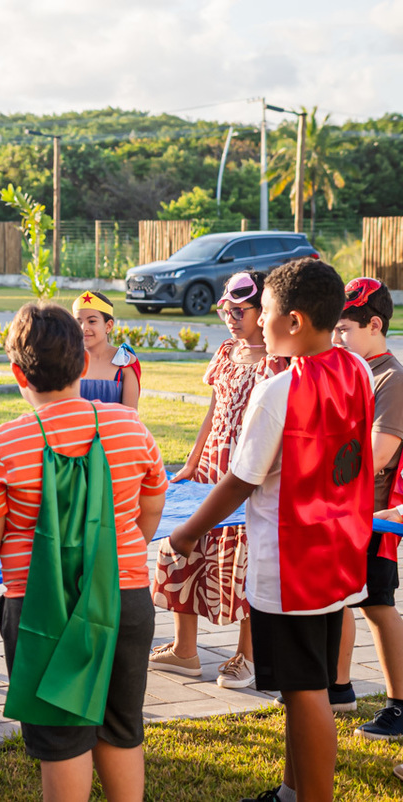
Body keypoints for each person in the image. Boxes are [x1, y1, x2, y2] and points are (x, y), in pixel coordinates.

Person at [169, 259, 374, 802]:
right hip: (339, 554)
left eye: (269, 313)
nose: (260, 322)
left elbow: (239, 481)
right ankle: (290, 790)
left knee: (306, 693)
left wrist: (186, 533)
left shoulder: (280, 391)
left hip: (289, 567)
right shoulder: (356, 369)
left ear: (296, 321)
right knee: (303, 687)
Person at [0, 302, 167, 802]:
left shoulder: (2, 444)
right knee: (121, 728)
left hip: (38, 605)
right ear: (82, 364)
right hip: (124, 598)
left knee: (60, 737)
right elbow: (151, 508)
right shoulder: (130, 429)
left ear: (16, 372)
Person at [150, 272, 287, 689]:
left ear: (263, 310)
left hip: (249, 474)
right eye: (226, 309)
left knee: (244, 562)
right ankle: (184, 651)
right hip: (210, 470)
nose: (231, 317)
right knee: (184, 552)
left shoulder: (278, 361)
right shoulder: (227, 352)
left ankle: (247, 655)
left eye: (239, 310)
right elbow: (213, 412)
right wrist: (192, 462)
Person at [330, 277, 403, 735]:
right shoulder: (355, 371)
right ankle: (338, 689)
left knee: (378, 606)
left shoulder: (391, 378)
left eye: (344, 329)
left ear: (374, 324)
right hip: (343, 510)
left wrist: (323, 470)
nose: (337, 338)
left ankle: (399, 703)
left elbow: (380, 450)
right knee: (336, 599)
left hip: (375, 516)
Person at [73, 291, 140, 408]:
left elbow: (130, 415)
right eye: (78, 322)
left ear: (108, 326)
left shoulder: (124, 362)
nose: (84, 328)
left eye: (92, 321)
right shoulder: (65, 360)